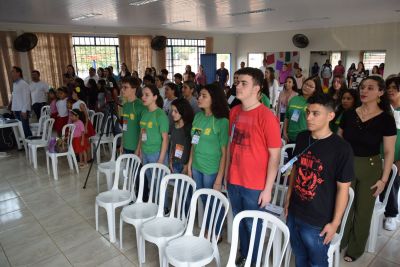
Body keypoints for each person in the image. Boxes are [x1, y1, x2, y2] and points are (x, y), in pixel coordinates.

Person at [284, 93, 354, 267]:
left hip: (318, 219)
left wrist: (335, 223)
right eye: (308, 112)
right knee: (299, 255)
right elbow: (295, 170)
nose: (308, 117)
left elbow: (343, 189)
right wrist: (288, 199)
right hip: (294, 210)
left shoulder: (341, 149)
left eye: (315, 113)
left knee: (317, 262)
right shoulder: (302, 138)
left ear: (330, 116)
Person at [226, 67, 281, 266]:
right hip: (234, 180)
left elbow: (275, 156)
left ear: (257, 88)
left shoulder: (267, 116)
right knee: (240, 222)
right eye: (237, 82)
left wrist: (268, 189)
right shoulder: (234, 112)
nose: (237, 86)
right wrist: (226, 175)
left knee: (254, 225)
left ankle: (254, 260)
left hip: (255, 184)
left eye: (243, 83)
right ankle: (244, 254)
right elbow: (232, 146)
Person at [339, 76, 396, 262]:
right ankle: (341, 239)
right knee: (343, 205)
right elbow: (338, 143)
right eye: (362, 87)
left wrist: (384, 179)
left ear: (380, 92)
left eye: (370, 88)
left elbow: (388, 152)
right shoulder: (348, 114)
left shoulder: (386, 120)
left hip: (371, 167)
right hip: (347, 164)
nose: (364, 91)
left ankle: (356, 248)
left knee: (363, 211)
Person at [188, 83, 229, 239]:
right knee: (205, 199)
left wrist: (219, 177)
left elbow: (225, 153)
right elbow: (194, 142)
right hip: (197, 166)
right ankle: (209, 228)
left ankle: (215, 233)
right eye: (200, 95)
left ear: (214, 99)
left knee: (214, 202)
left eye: (204, 96)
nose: (199, 98)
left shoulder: (221, 121)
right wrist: (191, 164)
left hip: (212, 169)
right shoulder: (198, 117)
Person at [137, 84, 169, 210]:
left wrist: (161, 159)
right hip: (145, 152)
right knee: (151, 182)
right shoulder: (144, 113)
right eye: (143, 95)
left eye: (147, 95)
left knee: (160, 183)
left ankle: (164, 208)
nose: (143, 97)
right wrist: (138, 150)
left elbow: (165, 139)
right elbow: (142, 133)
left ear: (155, 97)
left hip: (157, 154)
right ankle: (155, 206)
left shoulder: (160, 115)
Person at [380, 76, 400, 231]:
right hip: (378, 153)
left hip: (396, 157)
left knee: (392, 184)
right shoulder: (383, 108)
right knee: (381, 183)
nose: (390, 90)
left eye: (394, 87)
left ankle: (391, 214)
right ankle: (380, 208)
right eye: (389, 87)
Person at [284, 76, 322, 143]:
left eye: (310, 86)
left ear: (315, 89)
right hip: (290, 137)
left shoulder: (315, 104)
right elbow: (287, 117)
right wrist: (284, 132)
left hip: (306, 138)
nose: (307, 87)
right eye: (306, 84)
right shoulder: (294, 99)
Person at [120, 77, 146, 154]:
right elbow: (124, 126)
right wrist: (122, 143)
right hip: (126, 145)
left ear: (134, 89)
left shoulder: (140, 105)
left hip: (136, 148)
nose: (122, 90)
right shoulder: (125, 105)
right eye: (122, 87)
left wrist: (139, 148)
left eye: (126, 87)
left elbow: (144, 130)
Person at [169, 98, 194, 174]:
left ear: (183, 112)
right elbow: (173, 144)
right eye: (172, 111)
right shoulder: (173, 125)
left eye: (176, 111)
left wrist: (187, 166)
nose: (172, 113)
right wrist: (170, 160)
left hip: (185, 165)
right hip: (174, 163)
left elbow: (193, 148)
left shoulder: (191, 128)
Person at [10, 66, 32, 137]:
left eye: (13, 71)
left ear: (18, 73)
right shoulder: (15, 84)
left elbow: (27, 98)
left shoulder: (23, 83)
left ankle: (30, 146)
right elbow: (15, 97)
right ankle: (26, 146)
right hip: (17, 110)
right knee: (21, 129)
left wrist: (24, 110)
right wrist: (13, 108)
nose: (11, 73)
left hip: (22, 110)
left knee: (25, 129)